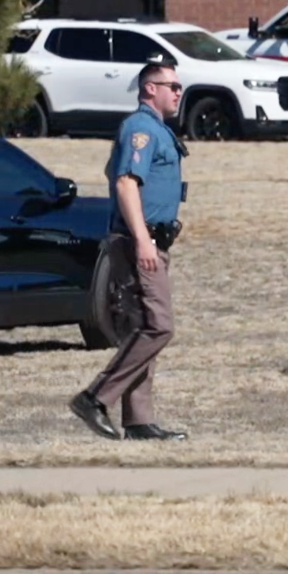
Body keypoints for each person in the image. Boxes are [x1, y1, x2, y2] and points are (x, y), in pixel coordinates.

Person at [70, 59, 189, 442]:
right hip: (141, 241)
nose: (178, 91)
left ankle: (138, 420)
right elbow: (125, 184)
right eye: (171, 84)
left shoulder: (156, 130)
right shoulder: (140, 128)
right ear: (149, 89)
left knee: (143, 327)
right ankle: (94, 397)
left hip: (152, 240)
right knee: (159, 325)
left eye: (179, 85)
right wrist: (142, 240)